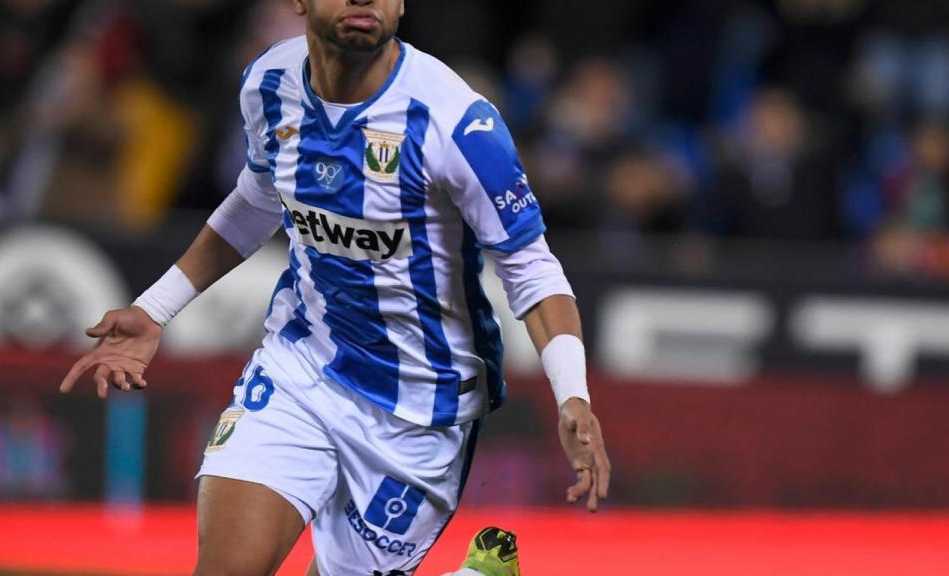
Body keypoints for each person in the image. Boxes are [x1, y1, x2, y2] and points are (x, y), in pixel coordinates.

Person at [59, 1, 611, 575]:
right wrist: (156, 307)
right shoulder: (269, 84)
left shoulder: (455, 121)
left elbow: (531, 267)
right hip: (303, 366)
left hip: (422, 411)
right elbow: (256, 198)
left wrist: (573, 395)